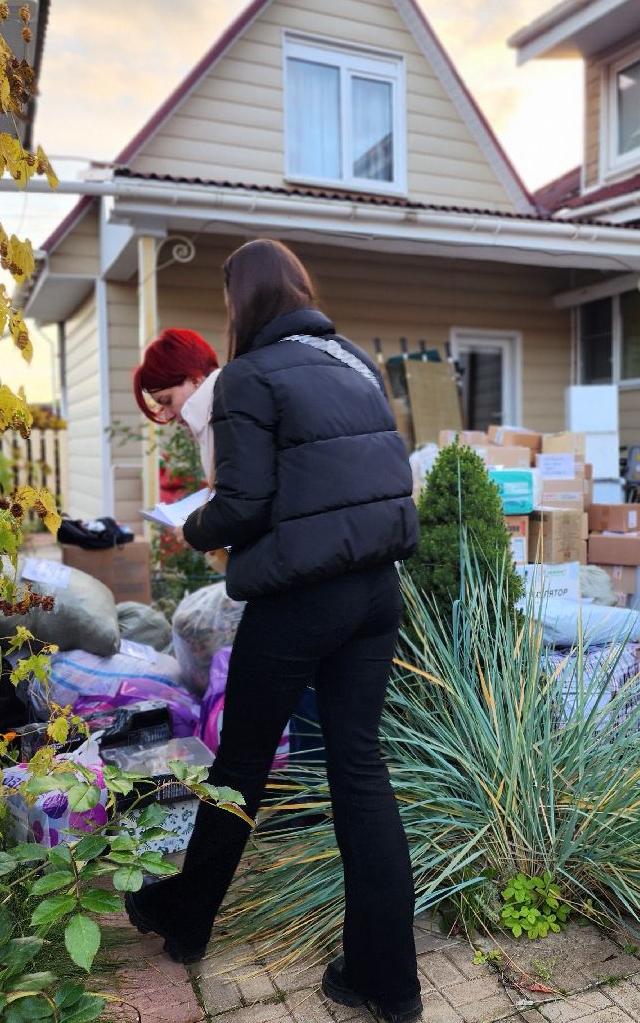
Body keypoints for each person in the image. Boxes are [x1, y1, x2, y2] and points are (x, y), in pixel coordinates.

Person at [124, 239, 422, 1022]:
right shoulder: (354, 361)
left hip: (301, 599)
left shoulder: (251, 375)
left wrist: (191, 527)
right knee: (359, 768)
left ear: (242, 301)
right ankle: (388, 982)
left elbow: (245, 504)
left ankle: (186, 919)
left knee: (241, 765)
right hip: (376, 593)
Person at [133, 328, 222, 484]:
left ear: (195, 379)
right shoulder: (217, 416)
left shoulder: (231, 416)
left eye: (167, 401)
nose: (168, 416)